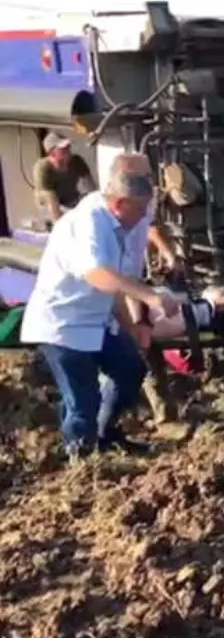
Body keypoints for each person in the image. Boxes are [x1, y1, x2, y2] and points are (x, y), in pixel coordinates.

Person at [20, 168, 182, 460]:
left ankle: (106, 435)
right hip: (63, 324)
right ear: (119, 203)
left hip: (95, 321)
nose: (144, 216)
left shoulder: (117, 223)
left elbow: (114, 287)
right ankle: (81, 464)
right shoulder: (89, 222)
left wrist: (133, 327)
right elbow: (98, 275)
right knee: (83, 400)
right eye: (140, 209)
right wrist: (150, 297)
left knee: (130, 369)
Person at [32, 132, 97, 227]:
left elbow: (91, 187)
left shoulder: (76, 161)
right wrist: (60, 225)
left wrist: (95, 204)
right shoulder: (42, 168)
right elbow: (50, 198)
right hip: (49, 206)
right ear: (52, 153)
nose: (68, 149)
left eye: (68, 146)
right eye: (63, 148)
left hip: (71, 200)